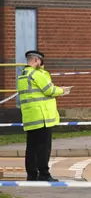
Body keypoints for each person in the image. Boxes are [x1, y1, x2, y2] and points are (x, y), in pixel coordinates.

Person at [17, 50, 71, 181]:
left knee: (31, 148)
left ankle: (31, 174)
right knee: (43, 148)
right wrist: (62, 90)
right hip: (42, 117)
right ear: (36, 60)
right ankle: (44, 174)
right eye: (41, 62)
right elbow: (49, 90)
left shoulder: (22, 76)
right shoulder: (36, 74)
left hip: (30, 117)